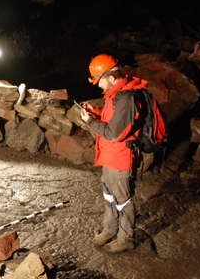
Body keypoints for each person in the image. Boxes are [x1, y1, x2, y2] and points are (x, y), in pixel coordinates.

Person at [79, 54, 148, 253]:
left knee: (123, 200)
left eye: (99, 81)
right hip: (110, 157)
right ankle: (110, 229)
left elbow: (114, 133)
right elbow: (113, 120)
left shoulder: (127, 97)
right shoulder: (116, 94)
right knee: (109, 196)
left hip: (121, 159)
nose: (98, 86)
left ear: (111, 77)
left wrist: (90, 122)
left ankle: (126, 238)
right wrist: (97, 112)